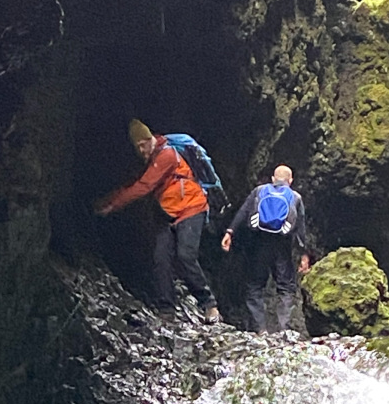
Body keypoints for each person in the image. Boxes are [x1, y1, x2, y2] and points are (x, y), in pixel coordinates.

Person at [95, 119, 220, 324]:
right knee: (160, 259)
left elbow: (144, 186)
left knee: (185, 256)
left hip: (192, 208)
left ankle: (209, 305)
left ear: (148, 138)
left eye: (142, 146)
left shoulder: (167, 155)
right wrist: (107, 199)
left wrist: (113, 206)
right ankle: (166, 310)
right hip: (167, 214)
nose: (141, 151)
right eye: (138, 149)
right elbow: (132, 184)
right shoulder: (151, 160)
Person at [221, 165, 310, 333]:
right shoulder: (296, 197)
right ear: (290, 181)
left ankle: (260, 329)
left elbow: (243, 212)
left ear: (273, 179)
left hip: (258, 244)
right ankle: (284, 329)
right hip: (282, 246)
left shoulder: (259, 191)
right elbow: (300, 228)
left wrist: (229, 232)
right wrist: (304, 255)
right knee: (286, 288)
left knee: (254, 286)